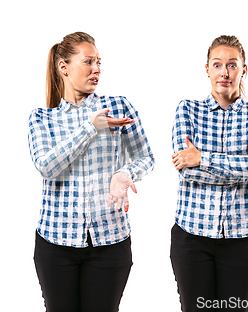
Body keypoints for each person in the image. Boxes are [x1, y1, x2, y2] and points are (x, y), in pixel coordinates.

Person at [28, 32, 154, 312]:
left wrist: (125, 173)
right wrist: (89, 128)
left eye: (99, 62)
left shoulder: (119, 106)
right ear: (64, 67)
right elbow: (46, 167)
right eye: (88, 62)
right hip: (55, 243)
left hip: (110, 242)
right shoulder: (42, 118)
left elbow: (146, 156)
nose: (97, 68)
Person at [170, 35, 248, 312]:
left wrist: (201, 158)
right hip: (192, 237)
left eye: (232, 65)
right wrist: (243, 165)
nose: (224, 72)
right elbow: (186, 173)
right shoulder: (187, 110)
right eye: (217, 65)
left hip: (243, 239)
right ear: (207, 69)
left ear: (244, 69)